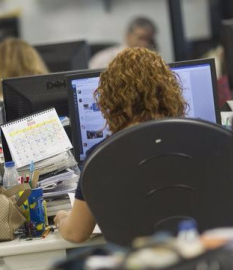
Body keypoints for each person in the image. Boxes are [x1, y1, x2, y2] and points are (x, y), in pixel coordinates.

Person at [54, 47, 188, 243]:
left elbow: (76, 233)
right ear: (169, 92)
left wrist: (62, 219)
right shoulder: (197, 138)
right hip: (202, 255)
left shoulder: (102, 155)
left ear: (111, 101)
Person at [89, 17, 157, 69]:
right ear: (128, 36)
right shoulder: (104, 59)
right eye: (141, 38)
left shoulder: (153, 61)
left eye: (149, 39)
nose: (145, 44)